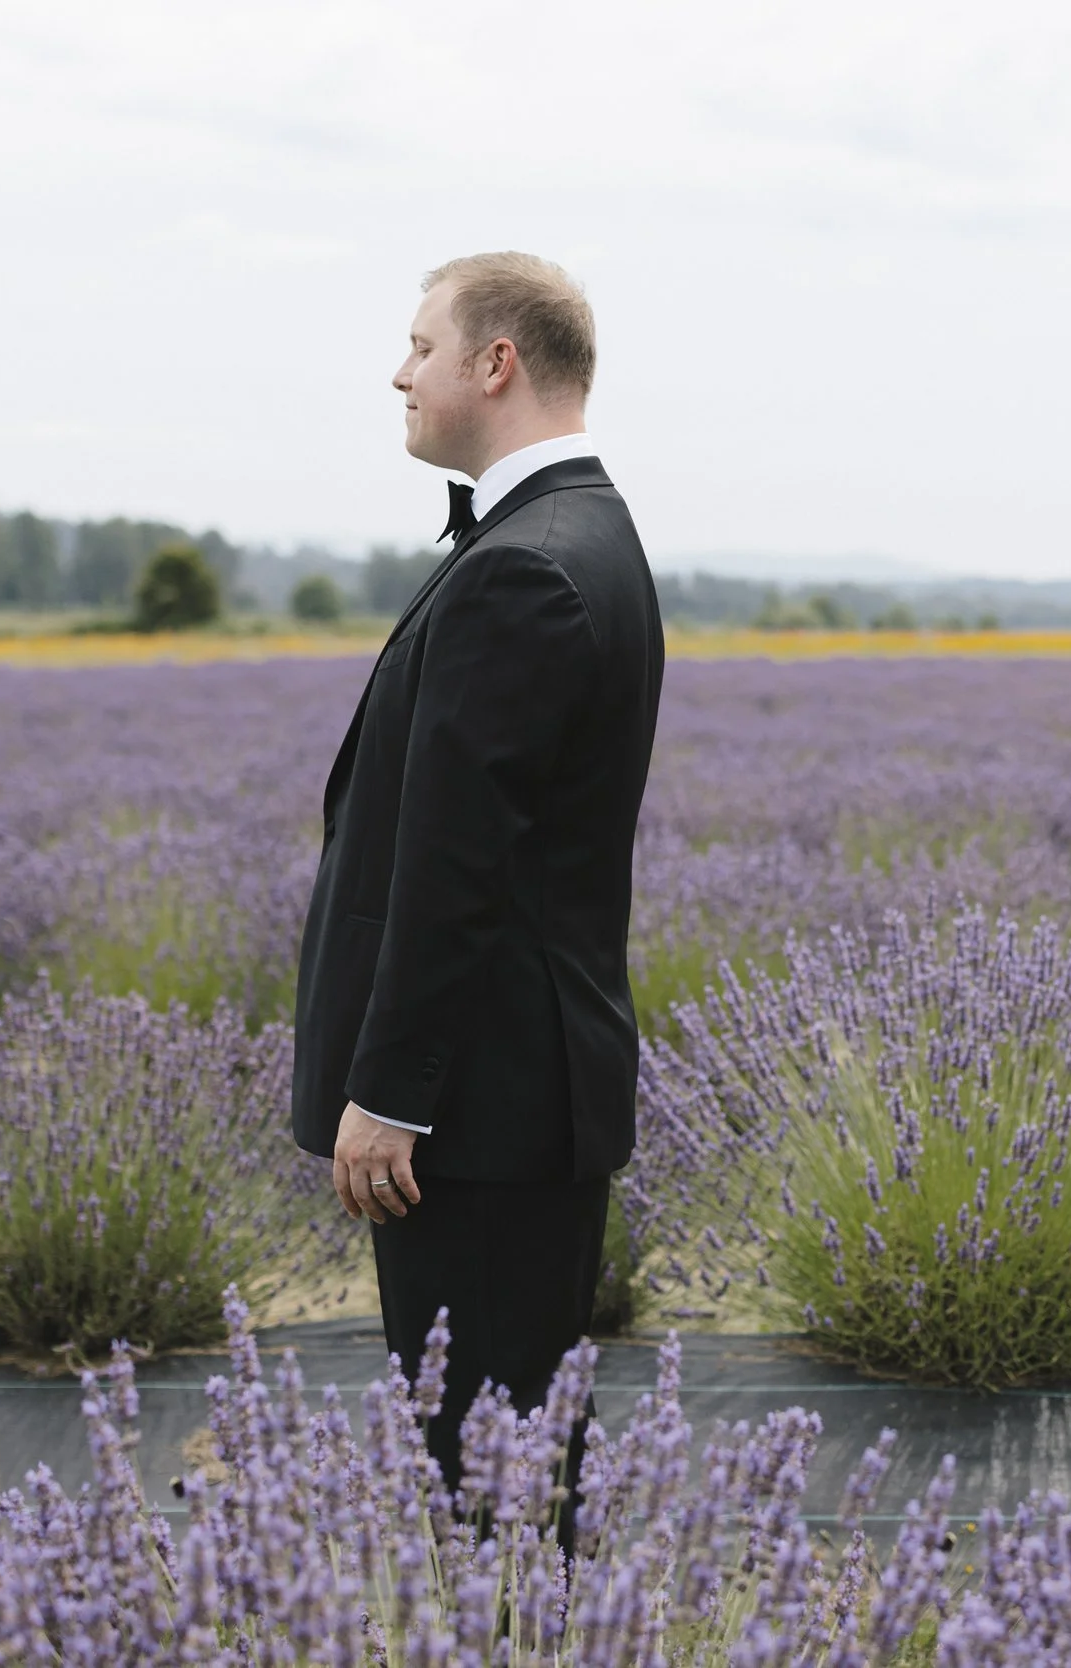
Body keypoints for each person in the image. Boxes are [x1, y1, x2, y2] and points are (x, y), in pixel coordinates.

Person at [291, 252, 664, 1487]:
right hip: (513, 1095)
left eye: (420, 346)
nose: (399, 373)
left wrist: (392, 1094)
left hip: (479, 1113)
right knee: (506, 1465)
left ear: (493, 363)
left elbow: (460, 871)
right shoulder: (576, 535)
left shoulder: (524, 566)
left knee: (487, 1476)